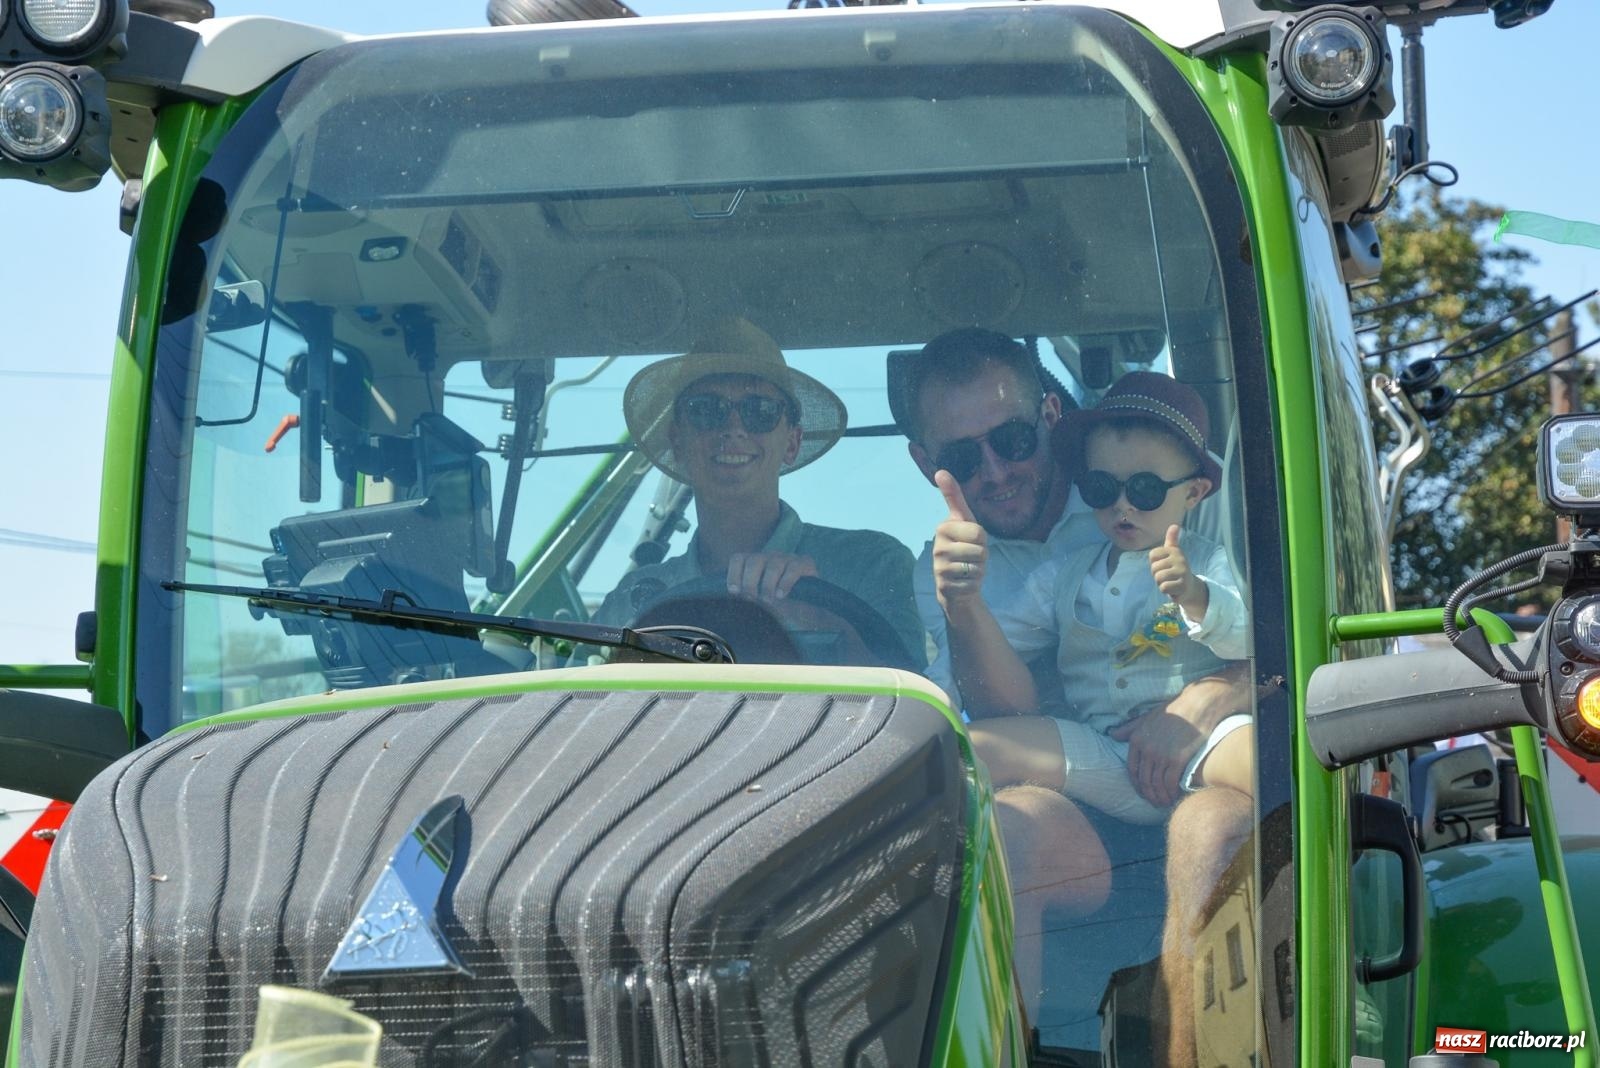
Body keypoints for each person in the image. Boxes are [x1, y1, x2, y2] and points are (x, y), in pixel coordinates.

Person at [895, 329, 1254, 1037]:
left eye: (1014, 439)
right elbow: (1002, 712)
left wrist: (1212, 696)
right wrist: (962, 604)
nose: (994, 471)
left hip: (1196, 767)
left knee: (1217, 826)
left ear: (1053, 420)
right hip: (1076, 798)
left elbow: (1284, 634)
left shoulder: (1186, 502)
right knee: (1000, 824)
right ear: (924, 463)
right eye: (963, 457)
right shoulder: (945, 568)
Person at [934, 371, 1253, 823]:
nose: (1122, 506)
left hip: (1198, 739)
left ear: (1195, 492)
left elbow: (1253, 642)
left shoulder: (1208, 562)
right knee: (966, 749)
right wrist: (960, 604)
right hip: (1103, 750)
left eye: (1144, 490)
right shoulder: (1064, 575)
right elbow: (991, 639)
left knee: (1260, 757)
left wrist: (1197, 597)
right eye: (1101, 489)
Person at [591, 316, 925, 667]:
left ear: (792, 442)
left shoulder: (873, 565)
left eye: (759, 411)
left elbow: (913, 700)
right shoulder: (631, 601)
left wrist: (823, 617)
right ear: (677, 441)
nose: (734, 428)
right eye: (707, 410)